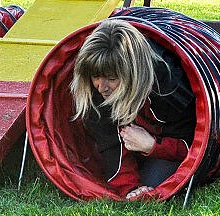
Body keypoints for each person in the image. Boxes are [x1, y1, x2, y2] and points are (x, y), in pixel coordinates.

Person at [70, 19, 196, 200]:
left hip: (169, 147)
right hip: (136, 147)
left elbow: (197, 146)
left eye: (112, 78)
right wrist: (129, 187)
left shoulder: (168, 87)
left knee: (155, 181)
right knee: (137, 188)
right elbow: (110, 146)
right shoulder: (94, 93)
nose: (101, 87)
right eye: (95, 76)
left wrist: (152, 146)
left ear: (133, 75)